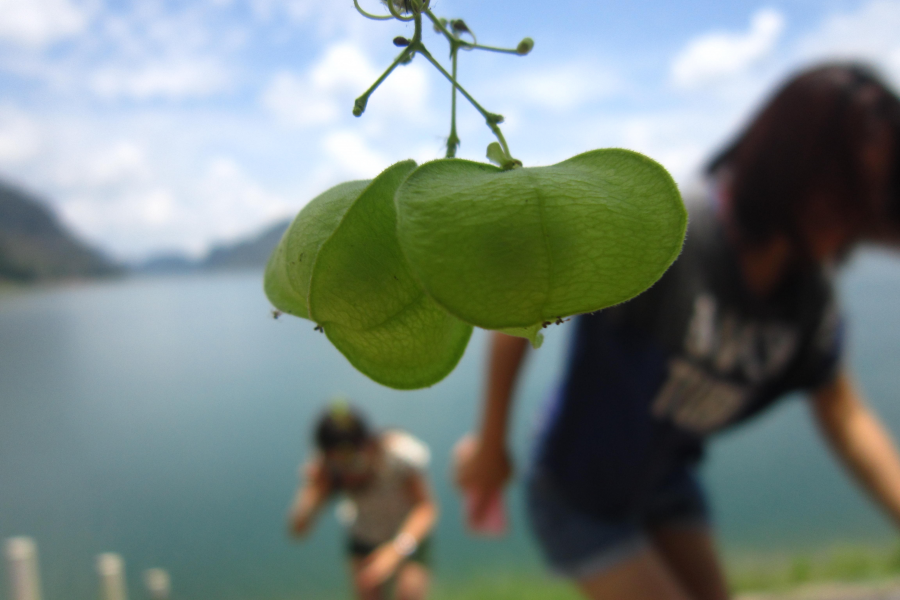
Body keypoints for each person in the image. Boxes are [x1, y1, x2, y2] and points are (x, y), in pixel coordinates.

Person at [455, 63, 900, 600]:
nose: (849, 219)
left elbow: (843, 410)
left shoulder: (807, 293)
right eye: (840, 192)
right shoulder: (669, 235)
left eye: (868, 198)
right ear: (790, 161)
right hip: (578, 493)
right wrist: (490, 445)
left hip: (664, 479)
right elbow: (522, 307)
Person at [289, 403, 437, 600]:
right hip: (364, 536)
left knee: (409, 592)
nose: (348, 473)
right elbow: (298, 529)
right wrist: (312, 491)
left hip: (406, 533)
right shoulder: (328, 471)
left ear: (369, 444)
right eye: (338, 465)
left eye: (353, 462)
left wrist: (397, 550)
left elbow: (425, 508)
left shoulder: (399, 454)